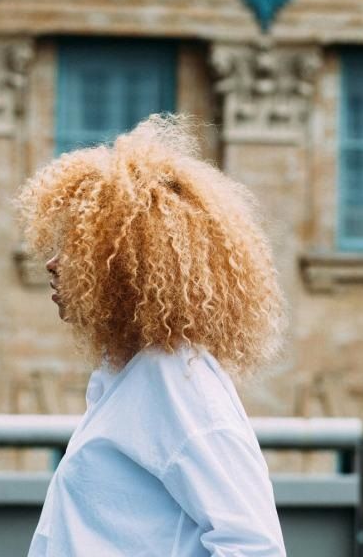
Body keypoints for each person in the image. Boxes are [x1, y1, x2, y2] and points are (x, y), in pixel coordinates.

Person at [17, 114, 287, 556]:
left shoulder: (174, 381)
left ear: (121, 263)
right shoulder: (131, 376)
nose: (53, 263)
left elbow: (254, 546)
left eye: (74, 245)